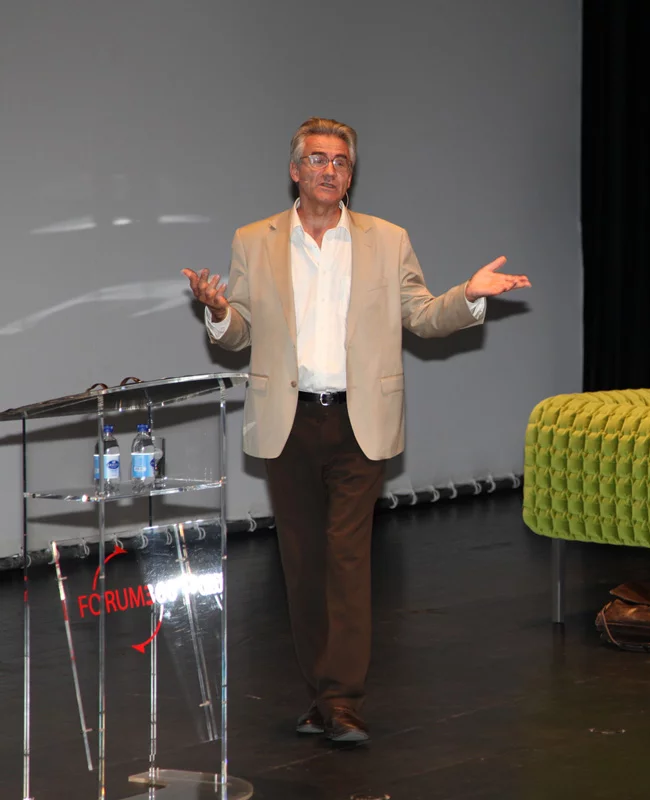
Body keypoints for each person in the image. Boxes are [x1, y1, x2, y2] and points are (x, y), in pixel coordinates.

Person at [182, 117, 530, 744]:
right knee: (302, 565)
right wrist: (219, 312)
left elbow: (422, 315)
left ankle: (342, 699)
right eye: (317, 159)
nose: (329, 170)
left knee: (347, 557)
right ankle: (320, 695)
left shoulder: (387, 240)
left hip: (359, 419)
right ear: (295, 170)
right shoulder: (254, 240)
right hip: (289, 420)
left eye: (340, 161)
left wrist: (469, 295)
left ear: (351, 174)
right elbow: (240, 333)